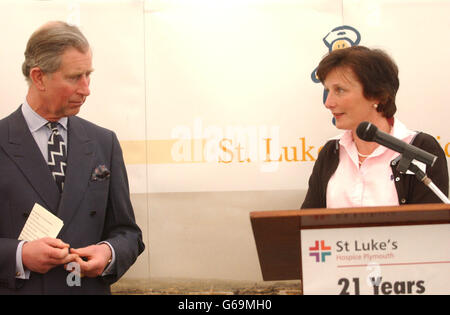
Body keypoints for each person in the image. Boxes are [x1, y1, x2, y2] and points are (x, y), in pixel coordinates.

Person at [0, 21, 145, 294]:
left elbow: (128, 233)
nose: (86, 88)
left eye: (88, 74)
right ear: (39, 77)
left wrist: (108, 253)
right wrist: (20, 254)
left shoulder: (104, 143)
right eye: (74, 77)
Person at [301, 46, 448, 209]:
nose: (328, 103)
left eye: (340, 90)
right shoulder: (331, 151)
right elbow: (307, 224)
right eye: (328, 90)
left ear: (377, 94)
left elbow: (429, 228)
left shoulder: (419, 147)